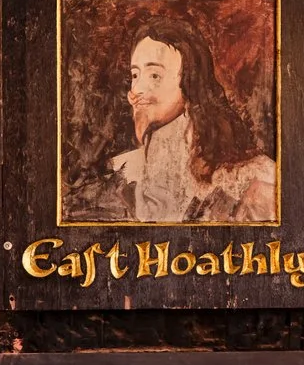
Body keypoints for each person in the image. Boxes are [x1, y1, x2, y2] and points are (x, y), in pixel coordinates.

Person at [105, 15, 277, 223]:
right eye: (135, 75)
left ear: (189, 80)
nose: (137, 90)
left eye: (154, 76)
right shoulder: (125, 171)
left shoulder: (247, 177)